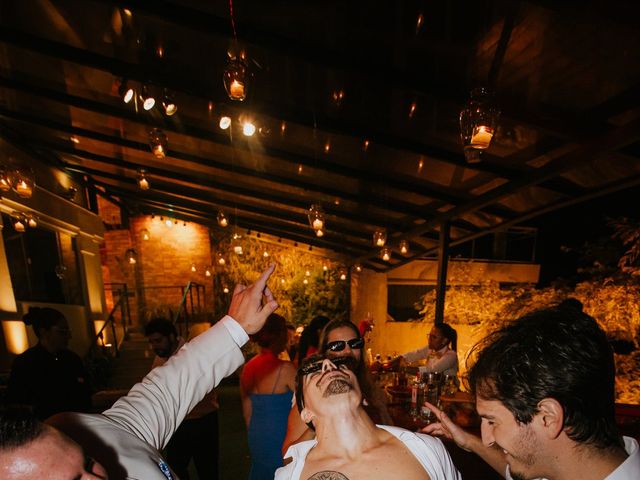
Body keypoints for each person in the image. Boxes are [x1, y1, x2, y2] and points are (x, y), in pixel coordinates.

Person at [0, 264, 278, 479]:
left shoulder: (88, 434)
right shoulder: (27, 365)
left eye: (87, 461)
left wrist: (235, 326)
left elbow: (167, 390)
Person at [422, 306, 639, 480]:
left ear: (548, 417)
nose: (488, 440)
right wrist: (469, 442)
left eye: (492, 421)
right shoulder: (560, 462)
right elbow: (517, 465)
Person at [276, 354, 461, 479]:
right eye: (315, 373)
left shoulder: (426, 449)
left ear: (363, 397)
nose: (329, 366)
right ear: (306, 413)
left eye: (340, 367)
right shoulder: (292, 474)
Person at [281, 319, 392, 454]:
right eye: (337, 346)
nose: (347, 350)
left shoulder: (368, 385)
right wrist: (316, 423)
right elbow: (288, 456)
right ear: (324, 352)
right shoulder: (311, 392)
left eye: (354, 343)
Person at [144, 317, 220, 480]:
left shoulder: (192, 354)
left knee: (207, 470)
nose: (154, 347)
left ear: (172, 336)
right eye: (151, 342)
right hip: (177, 425)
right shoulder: (159, 360)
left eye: (158, 341)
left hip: (202, 421)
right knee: (175, 470)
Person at [6, 307, 91, 420]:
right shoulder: (26, 363)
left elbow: (84, 395)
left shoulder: (72, 359)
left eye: (68, 331)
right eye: (62, 332)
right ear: (44, 332)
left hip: (75, 424)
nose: (68, 337)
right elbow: (17, 402)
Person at [240, 313, 296, 479]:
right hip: (280, 435)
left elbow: (247, 413)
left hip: (257, 435)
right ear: (280, 336)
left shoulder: (248, 368)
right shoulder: (286, 370)